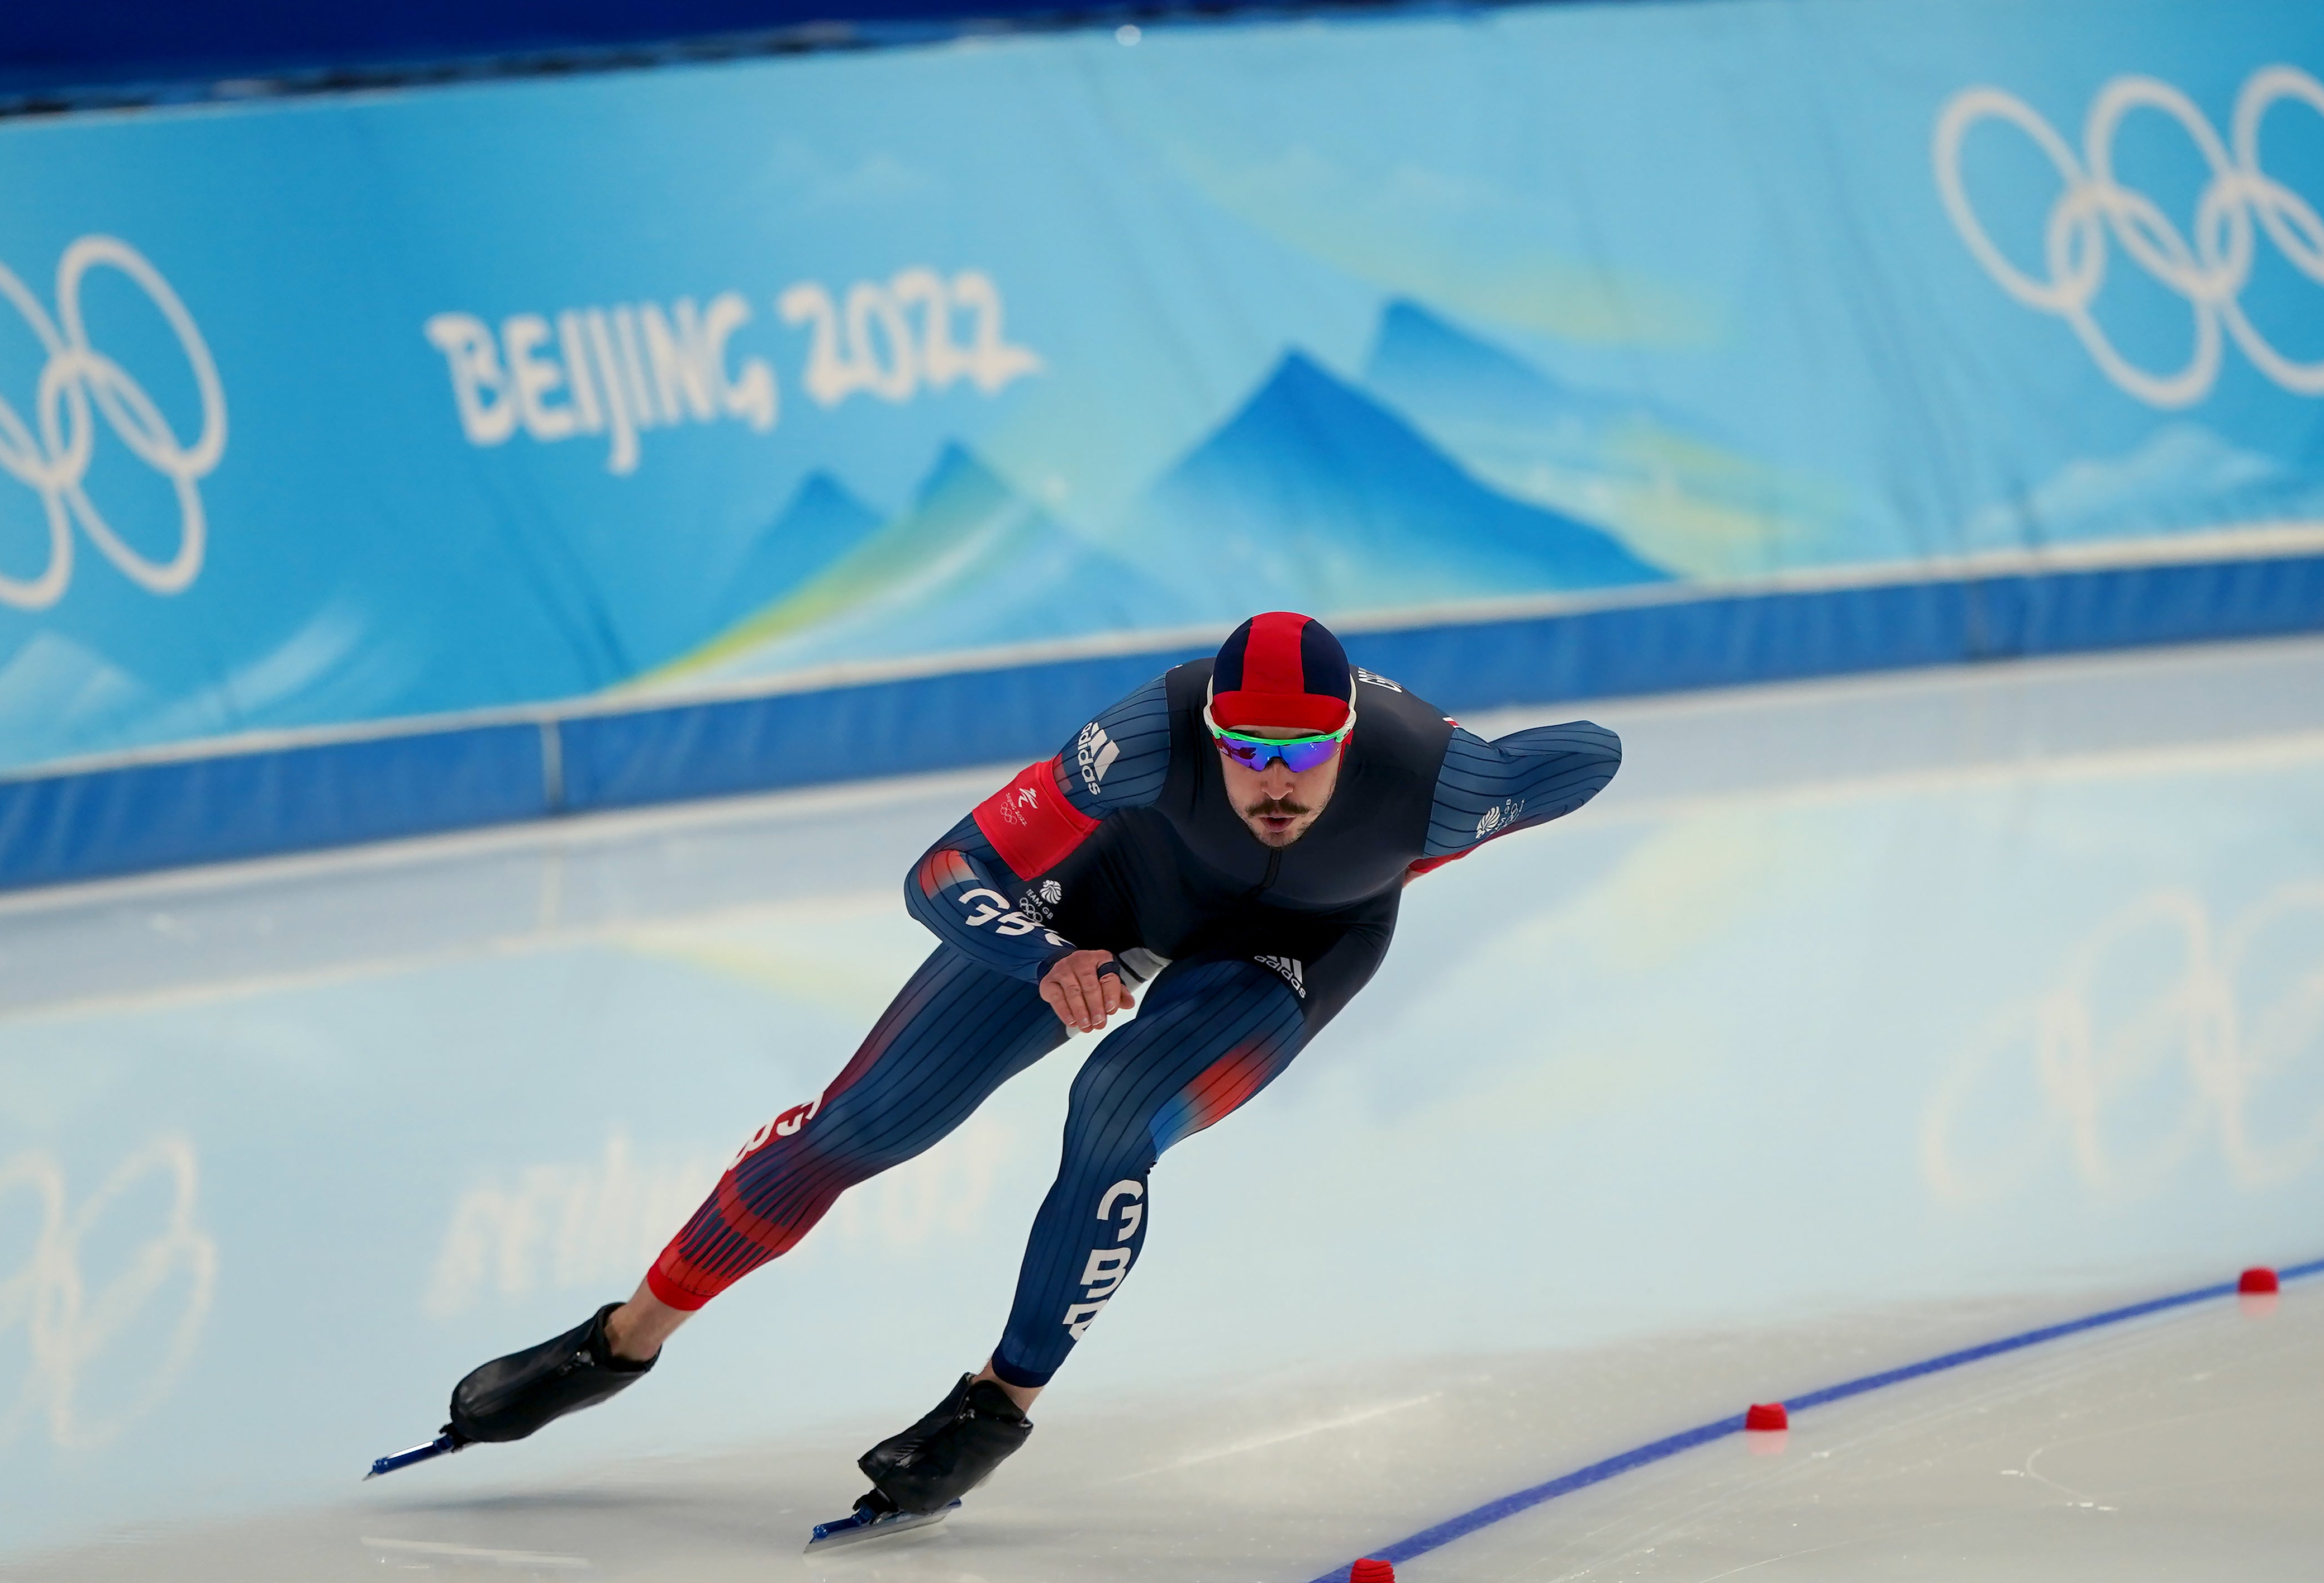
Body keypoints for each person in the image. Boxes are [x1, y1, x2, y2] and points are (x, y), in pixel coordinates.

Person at [431, 612, 1621, 1526]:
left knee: (1114, 1108)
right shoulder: (1142, 737)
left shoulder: (1440, 780)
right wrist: (1052, 955)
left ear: (1347, 740)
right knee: (860, 1125)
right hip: (1106, 900)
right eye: (1246, 750)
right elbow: (942, 873)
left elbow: (1592, 753)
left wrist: (1426, 840)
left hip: (1293, 947)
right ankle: (621, 1341)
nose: (1272, 780)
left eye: (1301, 756)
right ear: (1210, 733)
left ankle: (999, 1405)